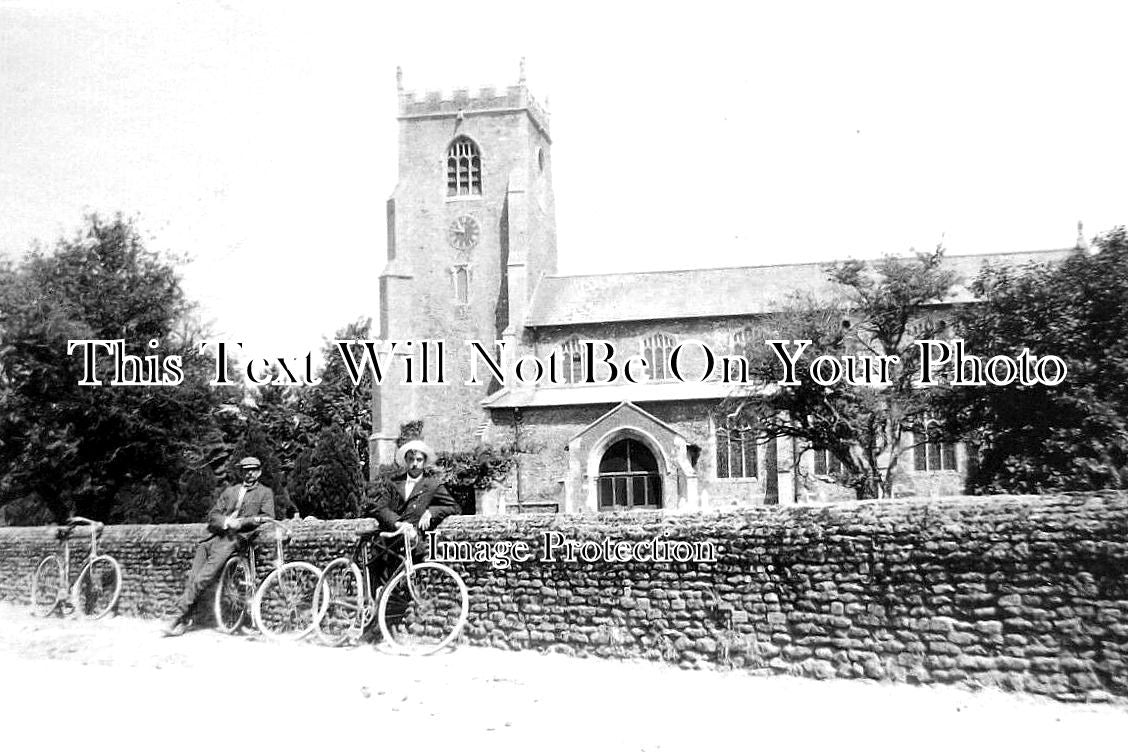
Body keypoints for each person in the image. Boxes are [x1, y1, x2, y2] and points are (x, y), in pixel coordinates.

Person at [165, 456, 276, 636]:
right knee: (193, 578)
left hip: (232, 540)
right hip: (211, 538)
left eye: (253, 470)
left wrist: (239, 523)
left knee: (203, 578)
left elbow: (266, 517)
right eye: (245, 470)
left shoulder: (265, 493)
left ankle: (176, 617)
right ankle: (186, 620)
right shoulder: (230, 491)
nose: (249, 473)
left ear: (259, 472)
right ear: (240, 472)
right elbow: (213, 515)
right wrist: (225, 522)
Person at [363, 440, 461, 582]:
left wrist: (431, 512)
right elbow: (378, 507)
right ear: (406, 461)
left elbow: (454, 507)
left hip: (413, 541)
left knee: (409, 583)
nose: (415, 463)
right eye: (411, 459)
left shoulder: (433, 485)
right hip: (390, 537)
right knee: (377, 578)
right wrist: (398, 523)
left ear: (424, 462)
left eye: (419, 460)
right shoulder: (393, 483)